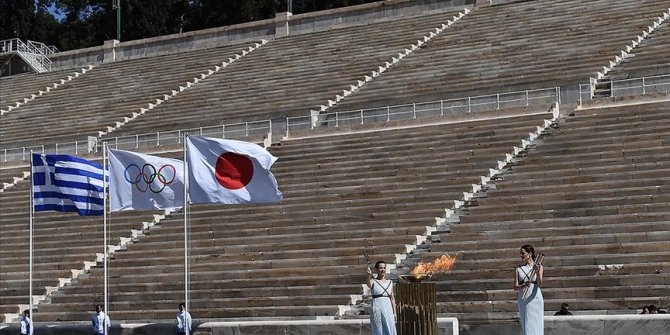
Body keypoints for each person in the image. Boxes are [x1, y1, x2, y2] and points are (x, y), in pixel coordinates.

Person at [513, 245, 544, 335]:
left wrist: (537, 272)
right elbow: (515, 287)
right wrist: (523, 285)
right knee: (527, 325)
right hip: (524, 298)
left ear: (530, 254)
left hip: (536, 298)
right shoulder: (518, 269)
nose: (521, 255)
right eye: (520, 253)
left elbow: (540, 284)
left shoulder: (539, 266)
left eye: (523, 253)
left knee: (537, 323)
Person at [366, 260, 397, 335]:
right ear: (376, 269)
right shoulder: (373, 281)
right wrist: (368, 275)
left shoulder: (390, 282)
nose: (382, 270)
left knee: (390, 327)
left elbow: (392, 298)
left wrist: (394, 312)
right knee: (378, 329)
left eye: (384, 268)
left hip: (388, 308)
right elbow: (368, 284)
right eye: (380, 268)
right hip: (377, 308)